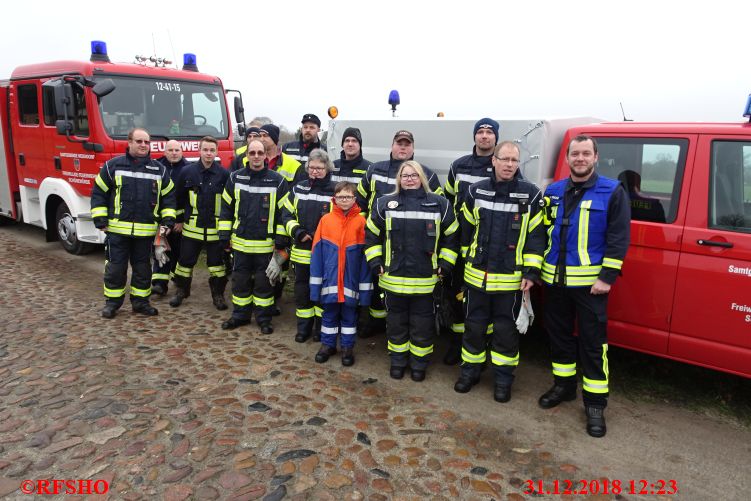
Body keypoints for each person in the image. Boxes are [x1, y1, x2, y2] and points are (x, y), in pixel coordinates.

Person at [539, 134, 630, 438]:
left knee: (593, 344)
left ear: (595, 157)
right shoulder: (552, 192)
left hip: (591, 286)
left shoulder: (612, 191)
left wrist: (607, 278)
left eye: (585, 153)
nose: (580, 158)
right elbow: (541, 233)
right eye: (575, 154)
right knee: (559, 337)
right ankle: (564, 386)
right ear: (567, 158)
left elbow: (618, 239)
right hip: (554, 282)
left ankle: (594, 405)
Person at [454, 141, 546, 403]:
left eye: (514, 160)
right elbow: (466, 229)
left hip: (511, 281)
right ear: (493, 160)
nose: (509, 165)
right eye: (504, 159)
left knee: (506, 333)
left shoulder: (531, 195)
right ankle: (470, 372)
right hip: (476, 277)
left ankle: (503, 380)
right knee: (473, 327)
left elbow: (536, 237)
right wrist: (466, 260)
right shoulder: (475, 191)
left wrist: (530, 272)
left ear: (518, 164)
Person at [365, 160, 458, 382]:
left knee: (422, 325)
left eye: (414, 175)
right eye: (405, 175)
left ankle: (419, 364)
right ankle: (398, 361)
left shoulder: (440, 205)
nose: (409, 179)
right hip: (392, 279)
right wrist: (375, 260)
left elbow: (452, 237)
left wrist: (445, 265)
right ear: (399, 179)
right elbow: (370, 235)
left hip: (426, 281)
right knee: (396, 323)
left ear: (421, 178)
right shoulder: (383, 204)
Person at [357, 130, 445, 337]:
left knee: (401, 296)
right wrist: (364, 226)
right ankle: (376, 324)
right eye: (399, 143)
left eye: (407, 144)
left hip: (411, 246)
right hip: (378, 240)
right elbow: (359, 201)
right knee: (374, 284)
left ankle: (394, 327)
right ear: (392, 146)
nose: (403, 147)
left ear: (413, 148)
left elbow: (439, 210)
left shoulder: (427, 174)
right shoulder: (374, 170)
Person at [90, 128, 176, 318]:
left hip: (145, 234)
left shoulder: (159, 170)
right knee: (115, 268)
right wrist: (100, 219)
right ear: (129, 143)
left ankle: (140, 303)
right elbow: (99, 193)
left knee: (143, 269)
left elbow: (168, 198)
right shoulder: (112, 166)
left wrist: (168, 222)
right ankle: (112, 303)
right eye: (139, 141)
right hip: (117, 232)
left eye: (146, 142)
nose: (143, 145)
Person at [442, 118, 500, 365]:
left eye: (489, 132)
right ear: (474, 137)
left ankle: (481, 348)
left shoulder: (501, 166)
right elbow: (447, 198)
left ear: (496, 138)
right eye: (480, 132)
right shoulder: (459, 165)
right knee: (455, 295)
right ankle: (456, 344)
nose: (484, 136)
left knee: (482, 301)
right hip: (457, 241)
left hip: (487, 244)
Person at [218, 139, 290, 334]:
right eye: (252, 153)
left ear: (266, 155)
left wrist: (281, 240)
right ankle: (240, 316)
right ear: (247, 155)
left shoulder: (278, 181)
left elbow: (285, 213)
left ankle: (263, 319)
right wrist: (224, 234)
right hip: (240, 245)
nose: (256, 157)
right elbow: (225, 208)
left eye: (260, 153)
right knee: (239, 282)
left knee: (264, 285)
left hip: (266, 246)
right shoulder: (234, 178)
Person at [309, 182, 372, 366]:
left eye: (348, 197)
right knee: (328, 315)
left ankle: (347, 347)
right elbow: (317, 255)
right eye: (341, 197)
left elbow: (365, 260)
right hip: (330, 281)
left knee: (350, 317)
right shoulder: (326, 221)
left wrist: (365, 291)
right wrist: (316, 287)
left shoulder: (362, 222)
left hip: (351, 282)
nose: (344, 200)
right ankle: (327, 345)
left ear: (355, 199)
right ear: (334, 199)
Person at [280, 149, 337, 343]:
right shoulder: (298, 189)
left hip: (325, 254)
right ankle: (303, 328)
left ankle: (320, 330)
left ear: (327, 169)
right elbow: (285, 215)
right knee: (302, 293)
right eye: (312, 167)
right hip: (301, 254)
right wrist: (297, 232)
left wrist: (318, 236)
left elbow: (338, 221)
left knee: (323, 293)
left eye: (319, 168)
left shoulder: (335, 192)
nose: (315, 171)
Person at [168, 136, 230, 310]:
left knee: (217, 265)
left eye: (212, 150)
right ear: (199, 151)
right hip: (191, 228)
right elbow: (178, 198)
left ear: (216, 152)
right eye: (205, 150)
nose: (208, 153)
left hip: (215, 230)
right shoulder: (187, 172)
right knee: (184, 263)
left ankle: (218, 295)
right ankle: (181, 291)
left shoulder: (224, 175)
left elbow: (229, 203)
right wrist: (179, 220)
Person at [151, 139, 188, 296]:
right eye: (170, 150)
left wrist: (182, 220)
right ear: (164, 152)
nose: (174, 153)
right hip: (163, 220)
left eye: (177, 150)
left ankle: (176, 279)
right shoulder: (156, 167)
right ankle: (160, 284)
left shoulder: (188, 169)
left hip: (179, 221)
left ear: (182, 152)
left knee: (178, 252)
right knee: (161, 248)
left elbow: (190, 198)